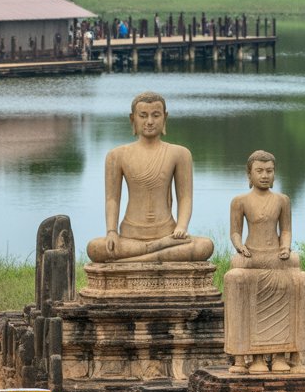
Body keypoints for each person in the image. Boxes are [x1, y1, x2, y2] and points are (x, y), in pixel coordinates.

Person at [86, 92, 215, 264]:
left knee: (205, 246)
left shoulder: (180, 154)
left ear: (165, 118)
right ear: (133, 119)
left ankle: (136, 258)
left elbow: (185, 198)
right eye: (143, 116)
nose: (149, 122)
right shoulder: (116, 156)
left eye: (156, 115)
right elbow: (112, 199)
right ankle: (155, 252)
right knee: (95, 248)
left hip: (169, 233)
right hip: (131, 236)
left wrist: (181, 227)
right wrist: (111, 232)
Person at [224, 150, 305, 374]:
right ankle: (250, 358)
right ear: (249, 175)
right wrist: (239, 246)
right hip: (252, 257)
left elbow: (285, 230)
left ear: (274, 174)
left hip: (276, 257)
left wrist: (285, 247)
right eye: (259, 171)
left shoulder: (282, 200)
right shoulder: (240, 201)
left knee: (304, 280)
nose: (264, 175)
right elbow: (235, 232)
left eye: (269, 171)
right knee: (234, 278)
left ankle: (285, 355)